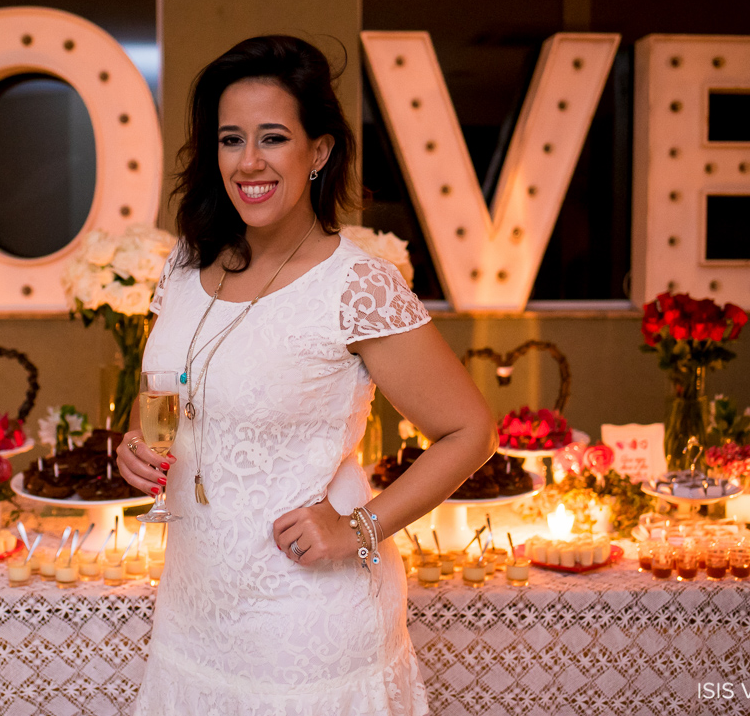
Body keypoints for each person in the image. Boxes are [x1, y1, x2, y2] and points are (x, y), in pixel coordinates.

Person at [117, 35, 496, 715]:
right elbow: (173, 392)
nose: (249, 161)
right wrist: (134, 448)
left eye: (273, 138)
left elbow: (470, 430)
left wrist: (359, 530)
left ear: (318, 152)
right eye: (231, 139)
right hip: (193, 616)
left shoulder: (355, 286)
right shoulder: (185, 265)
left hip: (306, 630)